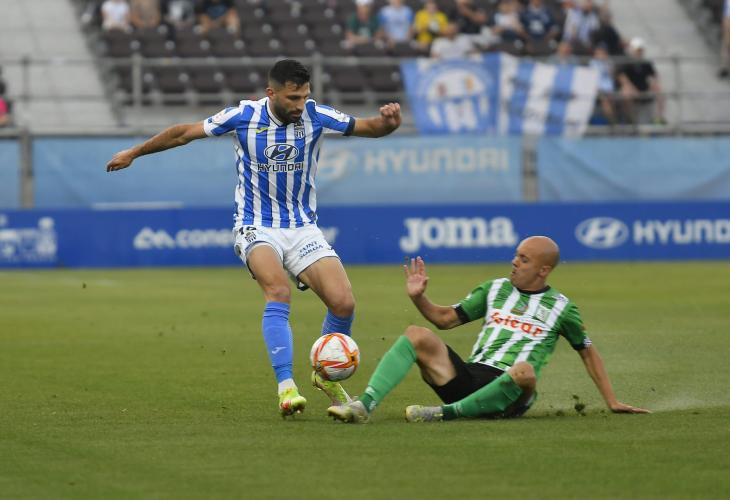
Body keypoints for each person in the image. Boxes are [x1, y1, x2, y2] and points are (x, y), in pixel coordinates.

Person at [105, 60, 401, 417]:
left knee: (343, 303)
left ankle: (324, 375)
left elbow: (369, 127)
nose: (300, 104)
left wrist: (388, 123)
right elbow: (183, 133)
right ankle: (286, 387)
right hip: (255, 225)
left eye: (305, 96)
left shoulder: (316, 115)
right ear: (271, 93)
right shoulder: (244, 116)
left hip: (302, 227)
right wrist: (134, 152)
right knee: (278, 291)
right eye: (293, 98)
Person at [328, 236, 649, 423]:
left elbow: (587, 351)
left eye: (524, 259)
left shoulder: (562, 307)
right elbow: (445, 319)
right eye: (516, 256)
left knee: (525, 371)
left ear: (543, 270)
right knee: (416, 334)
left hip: (513, 391)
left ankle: (442, 414)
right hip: (471, 377)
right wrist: (419, 298)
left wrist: (612, 401)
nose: (515, 262)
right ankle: (363, 405)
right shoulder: (495, 289)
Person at [616, 37, 665, 125]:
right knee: (626, 93)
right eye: (637, 50)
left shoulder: (646, 63)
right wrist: (632, 89)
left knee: (660, 91)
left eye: (640, 50)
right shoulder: (626, 62)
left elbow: (654, 76)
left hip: (643, 87)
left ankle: (659, 118)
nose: (639, 52)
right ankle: (630, 120)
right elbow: (622, 77)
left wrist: (653, 84)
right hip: (632, 88)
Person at [719, 0, 730, 78]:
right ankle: (724, 67)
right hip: (728, 14)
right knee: (726, 42)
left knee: (726, 42)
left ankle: (724, 66)